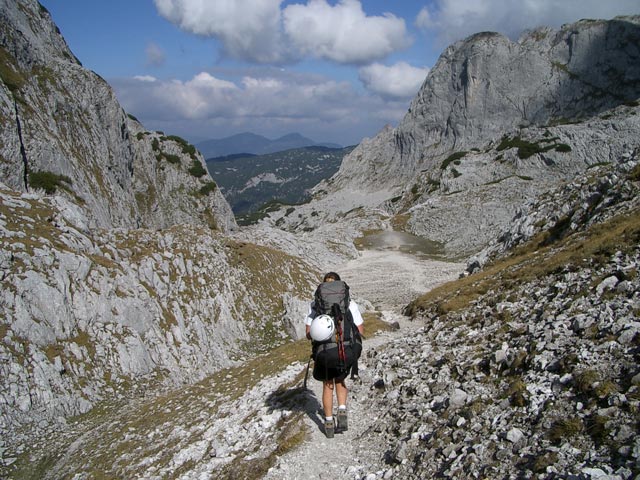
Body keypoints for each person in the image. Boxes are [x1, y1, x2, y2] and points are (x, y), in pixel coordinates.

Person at [305, 272, 364, 438]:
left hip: (324, 352)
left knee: (327, 384)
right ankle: (343, 410)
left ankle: (329, 421)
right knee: (340, 380)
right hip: (344, 349)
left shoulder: (315, 305)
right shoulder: (349, 304)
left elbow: (309, 333)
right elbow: (360, 330)